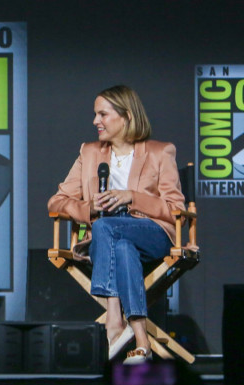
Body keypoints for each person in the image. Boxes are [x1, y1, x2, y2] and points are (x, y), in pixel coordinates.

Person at [48, 85, 185, 365]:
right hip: (110, 240)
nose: (95, 121)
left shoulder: (161, 152)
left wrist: (132, 197)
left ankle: (113, 322)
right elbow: (57, 202)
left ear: (127, 116)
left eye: (102, 114)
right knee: (121, 246)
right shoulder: (89, 153)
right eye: (95, 114)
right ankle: (142, 341)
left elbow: (175, 209)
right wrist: (89, 208)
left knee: (106, 227)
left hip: (153, 233)